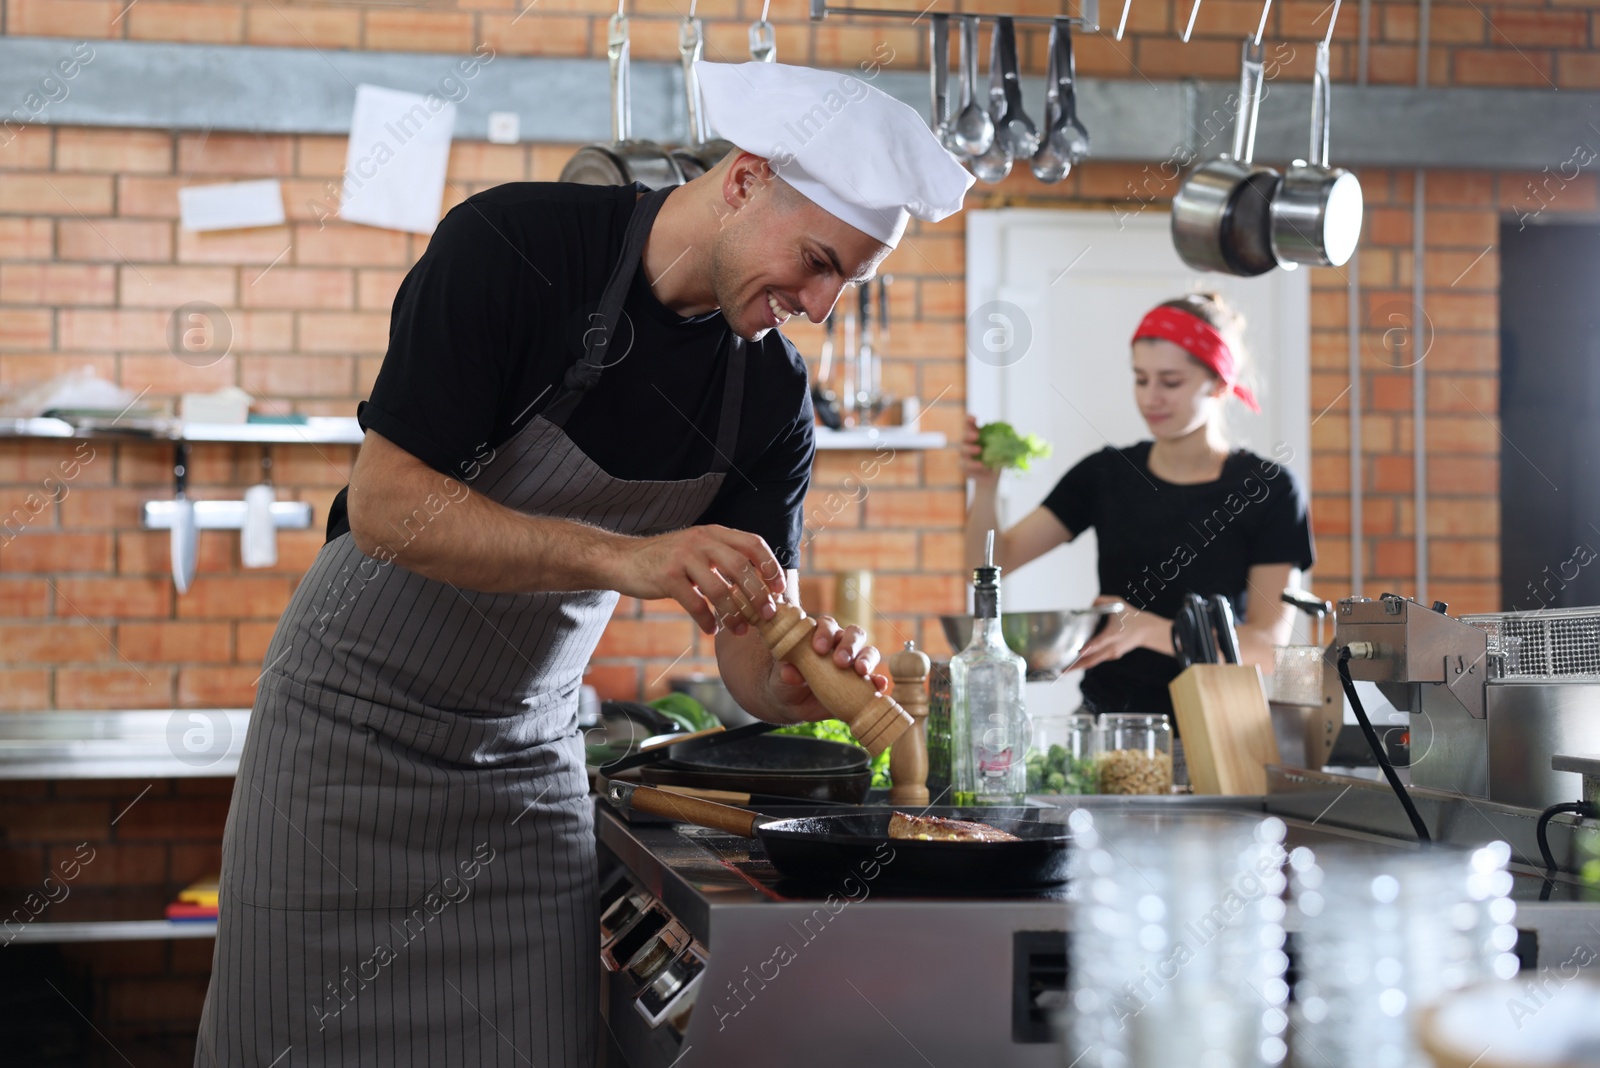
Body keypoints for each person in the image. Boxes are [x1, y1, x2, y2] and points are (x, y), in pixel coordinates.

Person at [195, 61, 973, 1067]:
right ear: (744, 181)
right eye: (817, 261)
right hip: (345, 742)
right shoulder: (515, 247)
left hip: (522, 770)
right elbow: (388, 507)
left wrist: (783, 685)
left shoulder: (771, 402)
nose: (819, 305)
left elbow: (743, 649)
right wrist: (631, 557)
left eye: (845, 284)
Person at [961, 292, 1314, 719]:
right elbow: (991, 564)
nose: (1151, 397)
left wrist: (1148, 629)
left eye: (1170, 382)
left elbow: (1267, 649)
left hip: (1220, 730)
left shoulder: (1268, 490)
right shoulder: (1106, 474)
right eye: (1140, 378)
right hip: (1108, 724)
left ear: (1220, 382)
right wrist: (984, 487)